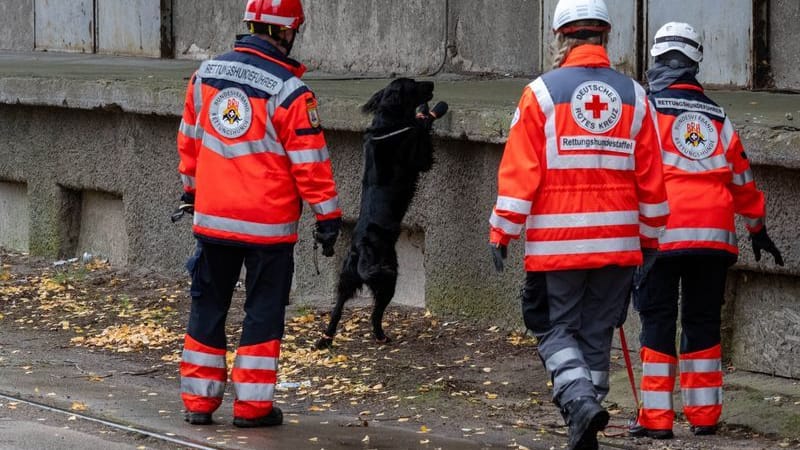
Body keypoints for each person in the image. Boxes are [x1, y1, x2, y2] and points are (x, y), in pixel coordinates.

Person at [487, 0, 669, 448]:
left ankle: (579, 403)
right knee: (596, 334)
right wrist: (649, 239)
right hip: (618, 244)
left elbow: (519, 171)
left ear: (561, 39)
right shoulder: (635, 96)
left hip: (558, 244)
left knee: (553, 328)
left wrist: (502, 230)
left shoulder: (542, 94)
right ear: (604, 38)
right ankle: (583, 426)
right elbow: (652, 181)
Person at [175, 0, 342, 428]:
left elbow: (190, 143)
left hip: (212, 221)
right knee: (263, 313)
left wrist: (192, 192)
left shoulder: (205, 76)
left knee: (207, 307)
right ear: (286, 32)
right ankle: (251, 408)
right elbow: (311, 163)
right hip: (267, 228)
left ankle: (198, 403)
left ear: (252, 23)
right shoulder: (290, 91)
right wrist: (327, 217)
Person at [629, 22, 783, 439]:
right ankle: (705, 417)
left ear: (656, 60)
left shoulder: (645, 110)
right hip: (714, 237)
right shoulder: (718, 116)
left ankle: (657, 421)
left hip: (661, 234)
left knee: (658, 322)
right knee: (702, 324)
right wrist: (756, 227)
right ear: (696, 63)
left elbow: (632, 171)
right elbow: (742, 178)